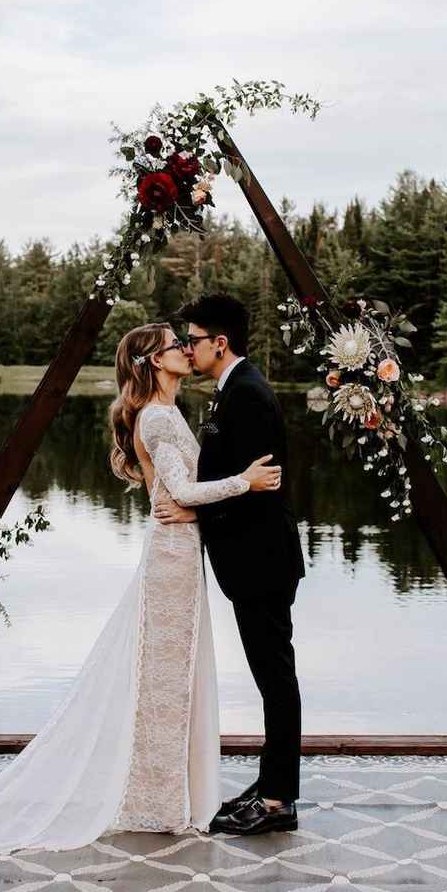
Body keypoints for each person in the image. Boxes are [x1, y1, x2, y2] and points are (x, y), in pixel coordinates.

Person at [0, 321, 281, 854]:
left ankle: (168, 795)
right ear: (153, 361)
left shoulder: (168, 413)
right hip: (171, 560)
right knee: (164, 683)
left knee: (173, 680)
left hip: (179, 551)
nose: (182, 350)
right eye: (174, 345)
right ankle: (156, 800)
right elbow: (181, 490)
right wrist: (247, 481)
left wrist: (190, 499)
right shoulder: (155, 417)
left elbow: (177, 493)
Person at [157, 293, 305, 835]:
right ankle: (271, 786)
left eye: (194, 340)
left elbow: (256, 486)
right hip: (253, 560)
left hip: (261, 561)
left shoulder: (248, 395)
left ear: (220, 343)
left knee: (275, 678)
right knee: (272, 675)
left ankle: (278, 801)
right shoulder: (233, 390)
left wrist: (190, 501)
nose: (187, 348)